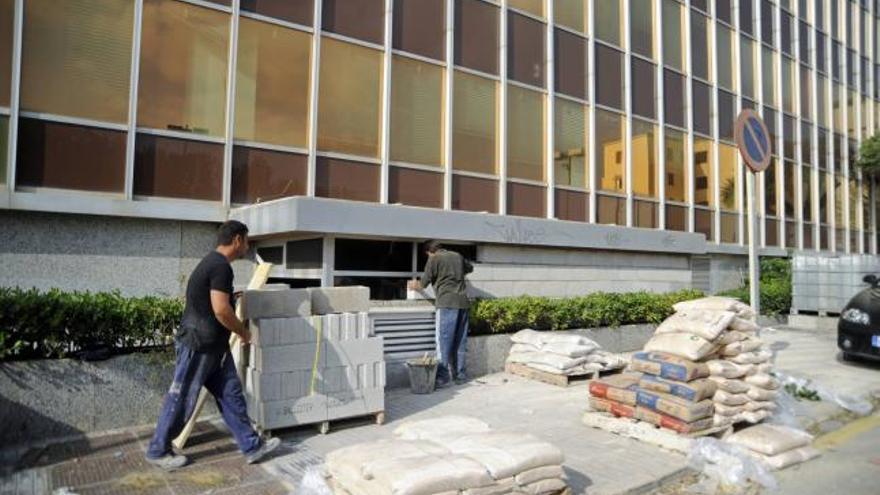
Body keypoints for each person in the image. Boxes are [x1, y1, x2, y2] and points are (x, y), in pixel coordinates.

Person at [146, 220, 280, 469]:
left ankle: (252, 446)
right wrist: (243, 332)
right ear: (237, 240)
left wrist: (232, 296)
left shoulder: (213, 263)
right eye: (247, 241)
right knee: (182, 398)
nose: (248, 246)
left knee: (231, 395)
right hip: (199, 345)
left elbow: (215, 301)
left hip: (214, 347)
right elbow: (220, 310)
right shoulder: (221, 267)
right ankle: (158, 451)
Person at [407, 241, 473, 388]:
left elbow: (422, 284)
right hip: (463, 303)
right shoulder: (457, 255)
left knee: (443, 342)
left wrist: (412, 285)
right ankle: (461, 376)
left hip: (446, 304)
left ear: (429, 252)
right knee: (460, 343)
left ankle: (443, 378)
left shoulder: (434, 259)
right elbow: (470, 268)